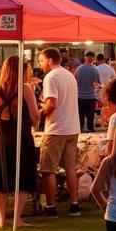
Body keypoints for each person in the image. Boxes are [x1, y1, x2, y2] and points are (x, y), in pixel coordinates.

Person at [0, 55, 40, 230]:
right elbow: (35, 115)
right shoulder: (25, 88)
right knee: (21, 175)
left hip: (3, 134)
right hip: (21, 134)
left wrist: (0, 115)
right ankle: (17, 218)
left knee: (1, 175)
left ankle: (1, 219)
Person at [37, 48, 81, 218]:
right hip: (72, 127)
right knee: (70, 167)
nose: (40, 65)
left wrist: (39, 113)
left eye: (41, 61)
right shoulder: (69, 75)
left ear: (49, 60)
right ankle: (74, 205)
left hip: (56, 128)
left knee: (48, 169)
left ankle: (50, 207)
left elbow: (52, 104)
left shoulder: (51, 77)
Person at [74, 51, 101, 133]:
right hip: (91, 96)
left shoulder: (78, 69)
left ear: (85, 58)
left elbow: (75, 81)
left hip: (80, 96)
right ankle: (90, 129)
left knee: (80, 115)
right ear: (93, 58)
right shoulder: (94, 70)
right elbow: (98, 83)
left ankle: (80, 128)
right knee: (90, 115)